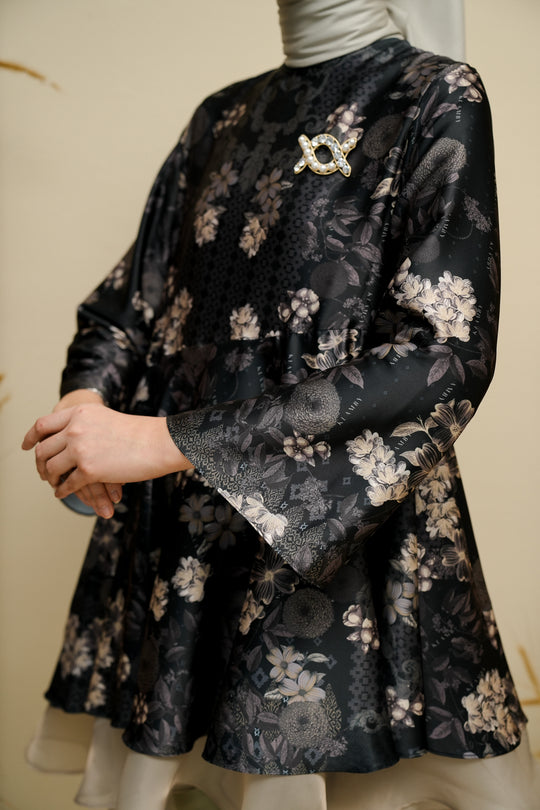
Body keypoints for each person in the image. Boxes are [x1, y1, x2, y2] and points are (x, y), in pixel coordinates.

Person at [22, 1, 540, 808]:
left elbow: (444, 354)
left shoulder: (433, 93)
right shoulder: (222, 115)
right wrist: (84, 418)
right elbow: (129, 305)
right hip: (183, 560)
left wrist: (164, 442)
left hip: (337, 559)